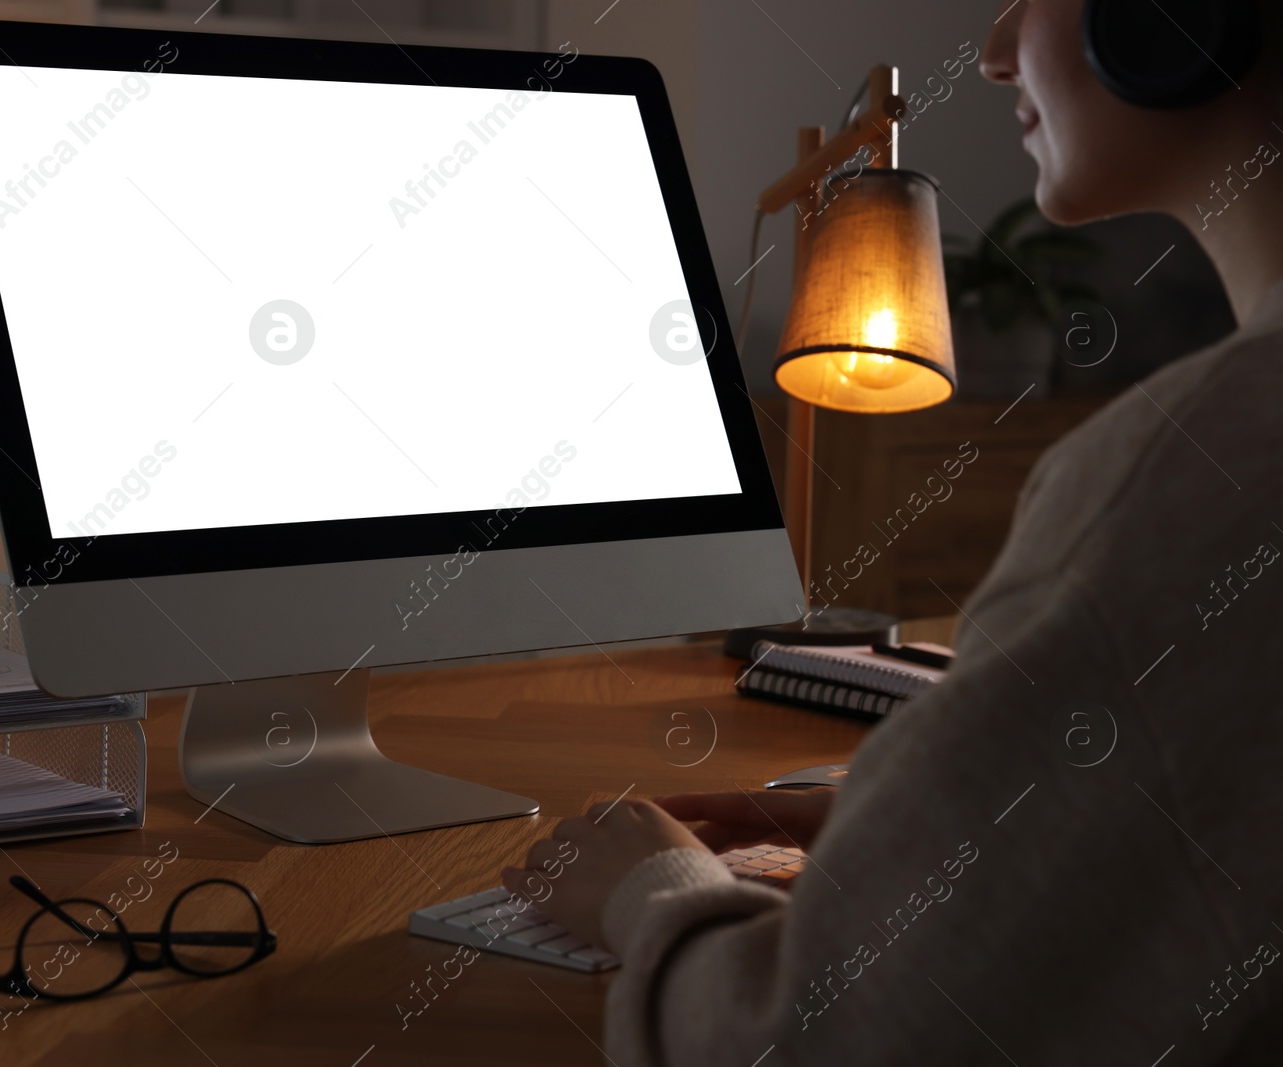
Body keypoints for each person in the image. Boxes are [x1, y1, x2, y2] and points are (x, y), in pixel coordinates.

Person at [504, 1, 1283, 1063]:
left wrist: (651, 887)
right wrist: (920, 817)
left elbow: (809, 1040)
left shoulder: (1194, 473)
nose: (999, 51)